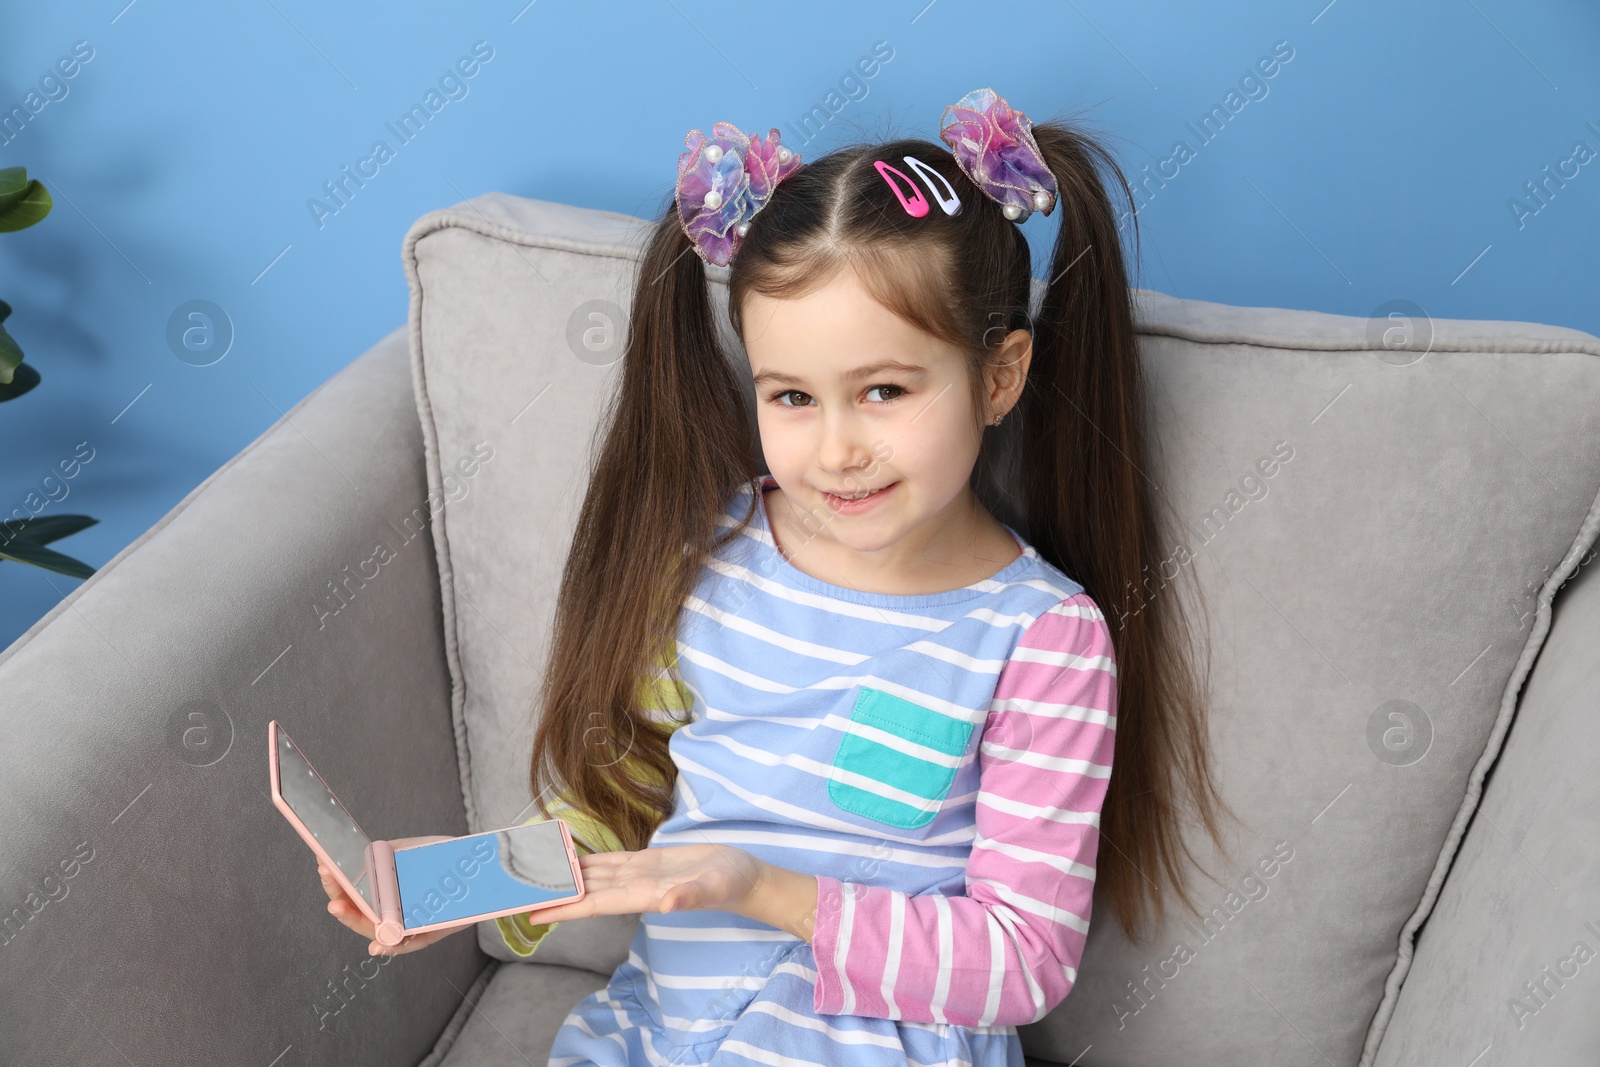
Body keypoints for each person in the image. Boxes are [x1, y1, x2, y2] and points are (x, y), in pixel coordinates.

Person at [320, 87, 1232, 1066]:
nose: (838, 447)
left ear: (999, 375)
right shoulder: (709, 555)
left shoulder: (1039, 637)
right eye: (793, 395)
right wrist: (464, 883)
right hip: (655, 1035)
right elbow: (620, 792)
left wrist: (751, 884)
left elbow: (1020, 959)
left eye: (883, 390)